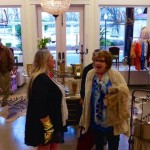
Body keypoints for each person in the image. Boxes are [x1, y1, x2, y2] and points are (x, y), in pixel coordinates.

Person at [79, 50, 130, 150]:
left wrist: (111, 90)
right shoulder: (90, 74)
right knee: (98, 146)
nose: (98, 63)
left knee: (113, 146)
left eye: (101, 61)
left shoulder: (115, 74)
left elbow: (125, 91)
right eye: (96, 60)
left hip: (112, 120)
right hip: (95, 120)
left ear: (107, 63)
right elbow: (87, 94)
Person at [25, 50, 68, 150]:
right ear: (45, 61)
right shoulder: (40, 79)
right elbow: (40, 106)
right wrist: (48, 127)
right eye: (51, 58)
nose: (54, 60)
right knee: (45, 146)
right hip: (46, 122)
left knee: (53, 143)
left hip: (53, 119)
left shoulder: (46, 75)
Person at [0, 38, 14, 107]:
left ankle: (5, 100)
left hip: (5, 71)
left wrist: (9, 69)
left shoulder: (6, 49)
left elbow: (11, 59)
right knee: (2, 86)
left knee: (6, 87)